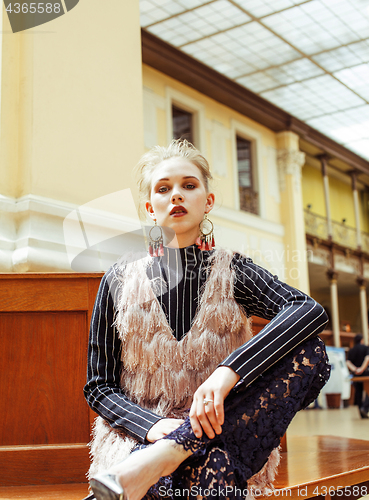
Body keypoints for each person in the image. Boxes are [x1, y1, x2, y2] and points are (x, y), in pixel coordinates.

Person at [84, 140, 330, 500]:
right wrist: (153, 427)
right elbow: (98, 386)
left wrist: (227, 372)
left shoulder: (235, 270)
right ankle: (170, 452)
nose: (177, 196)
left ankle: (177, 450)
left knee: (313, 353)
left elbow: (308, 310)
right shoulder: (119, 279)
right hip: (139, 436)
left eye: (189, 185)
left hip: (222, 423)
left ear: (208, 201)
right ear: (152, 208)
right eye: (164, 189)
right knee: (212, 467)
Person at [346, 334, 369, 419]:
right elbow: (367, 358)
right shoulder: (365, 348)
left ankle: (361, 411)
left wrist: (356, 369)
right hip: (366, 374)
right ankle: (365, 408)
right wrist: (362, 369)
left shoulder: (351, 350)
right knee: (368, 391)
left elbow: (348, 362)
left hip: (356, 375)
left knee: (358, 392)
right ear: (362, 340)